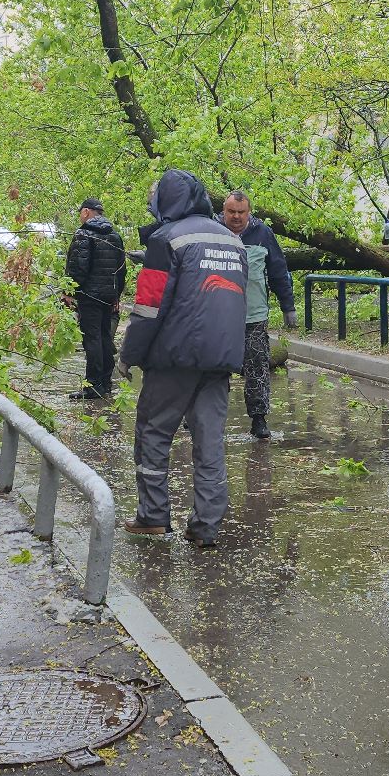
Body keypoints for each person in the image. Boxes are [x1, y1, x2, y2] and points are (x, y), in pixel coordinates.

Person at [116, 169, 247, 548]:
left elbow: (148, 307)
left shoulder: (165, 239)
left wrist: (128, 355)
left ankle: (153, 516)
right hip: (220, 361)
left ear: (168, 201)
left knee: (153, 433)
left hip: (174, 359)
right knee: (210, 442)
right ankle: (206, 526)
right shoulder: (233, 242)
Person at [220, 190, 296, 439]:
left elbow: (278, 271)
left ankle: (259, 420)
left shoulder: (263, 234)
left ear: (249, 212)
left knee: (257, 369)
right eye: (232, 212)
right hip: (217, 315)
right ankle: (204, 417)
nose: (236, 217)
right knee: (213, 368)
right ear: (224, 210)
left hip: (253, 316)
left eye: (241, 212)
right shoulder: (212, 231)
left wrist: (288, 307)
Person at [64, 198, 126, 400]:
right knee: (105, 337)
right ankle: (106, 383)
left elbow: (77, 268)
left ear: (86, 212)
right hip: (108, 295)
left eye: (81, 212)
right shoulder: (115, 236)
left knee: (92, 339)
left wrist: (69, 292)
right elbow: (121, 269)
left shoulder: (83, 234)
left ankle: (93, 386)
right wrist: (116, 294)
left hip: (89, 295)